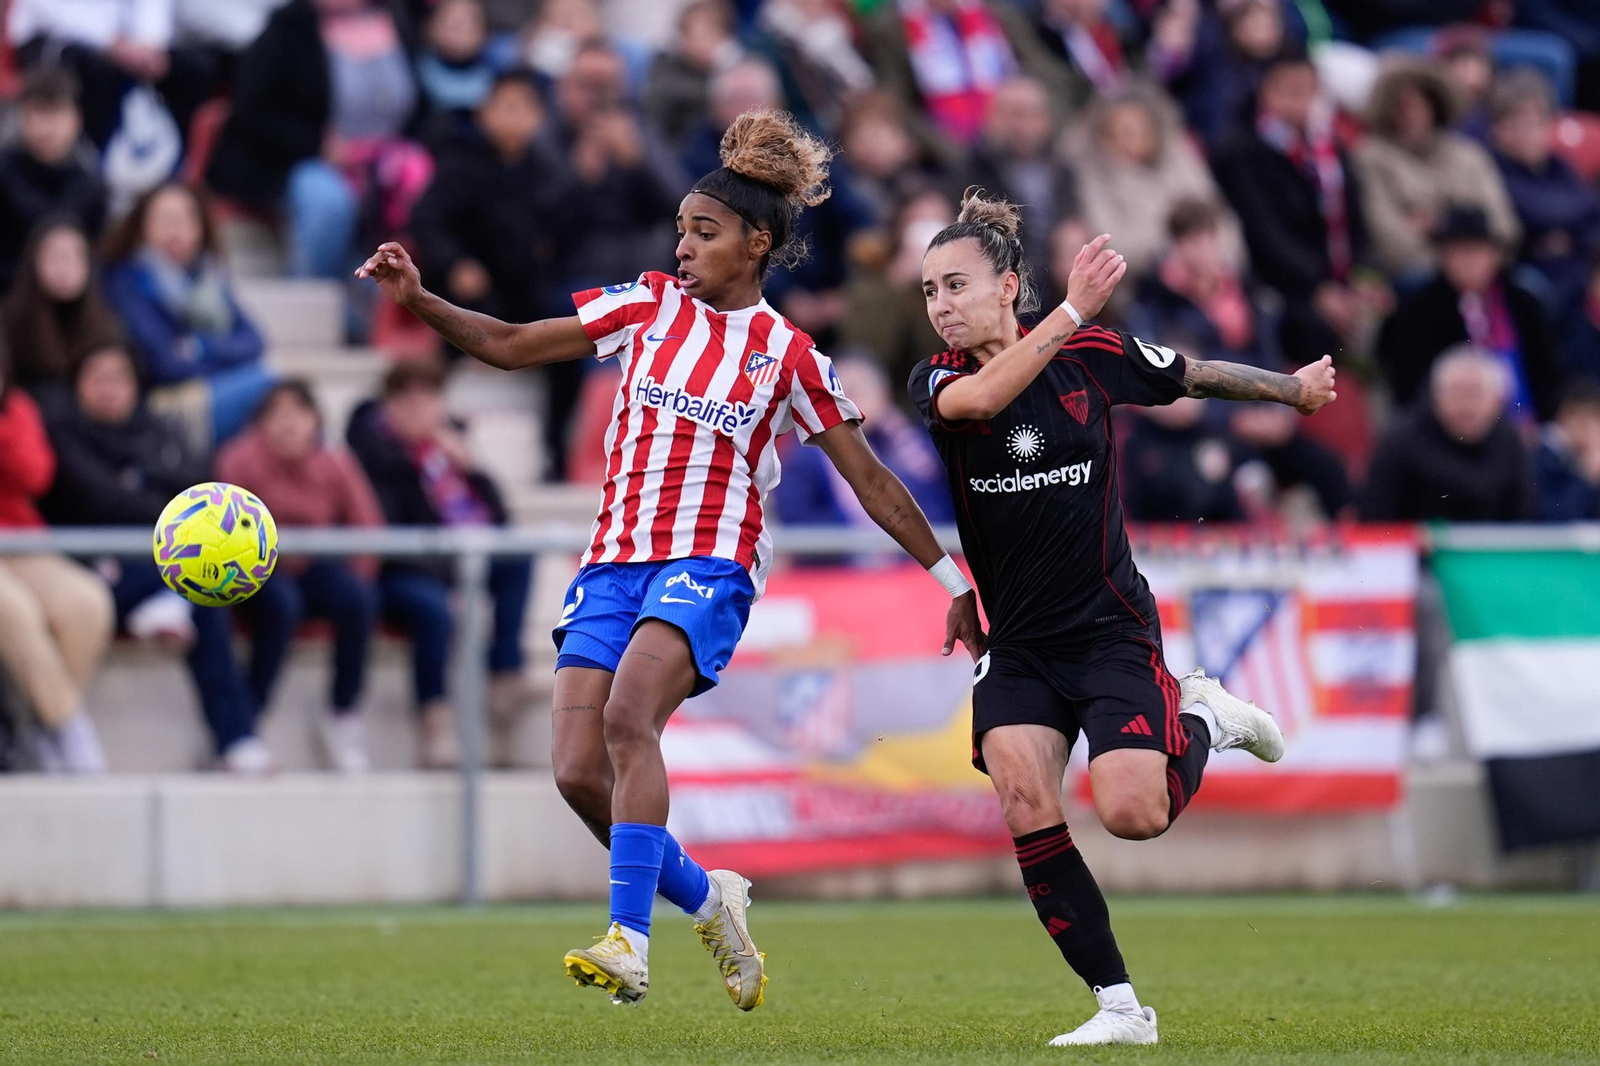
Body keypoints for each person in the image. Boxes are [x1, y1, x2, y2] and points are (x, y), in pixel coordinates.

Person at [357, 108, 984, 1011]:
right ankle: (707, 896)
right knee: (577, 771)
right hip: (612, 563)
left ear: (756, 244)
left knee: (626, 718)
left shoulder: (789, 356)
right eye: (681, 231)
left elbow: (874, 481)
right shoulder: (646, 306)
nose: (684, 248)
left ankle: (628, 942)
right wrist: (418, 299)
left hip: (710, 564)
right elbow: (507, 345)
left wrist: (949, 580)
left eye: (705, 233)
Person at [910, 189, 1336, 1045]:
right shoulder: (941, 380)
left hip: (1110, 632)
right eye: (929, 291)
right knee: (1024, 795)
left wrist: (1289, 391)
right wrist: (1068, 310)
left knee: (1134, 814)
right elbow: (984, 403)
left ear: (1007, 286)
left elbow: (1191, 375)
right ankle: (1118, 1008)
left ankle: (1205, 715)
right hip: (1020, 645)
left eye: (956, 285)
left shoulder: (1093, 354)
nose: (941, 305)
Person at [38, 341, 275, 773]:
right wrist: (161, 499)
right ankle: (167, 603)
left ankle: (237, 740)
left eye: (119, 377)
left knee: (213, 596)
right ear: (78, 385)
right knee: (183, 576)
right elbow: (98, 500)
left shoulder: (160, 429)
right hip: (92, 575)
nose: (109, 388)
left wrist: (140, 488)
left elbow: (204, 490)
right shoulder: (63, 434)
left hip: (163, 567)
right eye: (98, 377)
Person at [345, 359, 532, 769]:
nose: (418, 408)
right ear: (388, 406)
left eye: (428, 397)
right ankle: (435, 720)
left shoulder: (448, 450)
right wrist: (452, 586)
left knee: (519, 557)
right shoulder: (374, 456)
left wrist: (470, 468)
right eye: (406, 399)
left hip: (454, 562)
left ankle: (505, 670)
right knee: (432, 610)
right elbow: (391, 536)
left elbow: (500, 520)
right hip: (400, 573)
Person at [216, 381, 385, 772]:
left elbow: (367, 526)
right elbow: (221, 531)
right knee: (281, 605)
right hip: (255, 570)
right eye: (277, 414)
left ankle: (343, 712)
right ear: (260, 423)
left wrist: (357, 572)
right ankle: (249, 718)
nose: (288, 425)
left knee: (358, 599)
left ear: (316, 421)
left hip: (315, 567)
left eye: (298, 413)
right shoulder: (238, 460)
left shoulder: (336, 463)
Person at [409, 70, 572, 473]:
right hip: (468, 288)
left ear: (539, 117)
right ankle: (435, 436)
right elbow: (426, 220)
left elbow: (564, 227)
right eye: (504, 107)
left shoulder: (546, 170)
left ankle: (556, 449)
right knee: (447, 336)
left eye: (524, 109)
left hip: (526, 290)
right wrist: (454, 263)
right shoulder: (460, 163)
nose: (513, 117)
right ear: (485, 113)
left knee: (570, 346)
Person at [205, 0, 429, 285]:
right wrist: (317, 145)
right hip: (301, 160)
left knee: (428, 189)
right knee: (329, 203)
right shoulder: (290, 25)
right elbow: (251, 109)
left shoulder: (398, 18)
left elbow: (422, 106)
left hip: (388, 160)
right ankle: (310, 300)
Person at [1211, 49, 1382, 363]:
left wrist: (1363, 275)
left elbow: (1356, 217)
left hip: (1337, 279)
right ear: (1266, 92)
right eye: (1289, 90)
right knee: (1312, 330)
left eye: (1307, 90)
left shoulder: (1329, 148)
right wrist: (1318, 289)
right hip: (1281, 285)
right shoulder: (1241, 150)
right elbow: (1265, 234)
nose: (1300, 100)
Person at [0, 337, 112, 773]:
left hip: (20, 541)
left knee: (87, 602)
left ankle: (45, 727)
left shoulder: (19, 408)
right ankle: (69, 726)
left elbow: (36, 474)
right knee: (14, 610)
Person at [102, 182, 274, 450]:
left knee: (284, 404)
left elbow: (254, 341)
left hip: (216, 388)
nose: (176, 229)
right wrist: (222, 357)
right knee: (265, 387)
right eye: (165, 220)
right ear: (143, 228)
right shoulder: (128, 282)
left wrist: (199, 347)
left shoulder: (210, 279)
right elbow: (165, 364)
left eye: (185, 219)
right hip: (165, 403)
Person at [1376, 205, 1561, 423]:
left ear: (1494, 255)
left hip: (1526, 421)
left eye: (1477, 251)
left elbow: (1547, 371)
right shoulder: (1419, 310)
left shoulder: (1523, 303)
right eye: (1459, 251)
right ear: (1444, 257)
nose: (1469, 261)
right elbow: (1409, 383)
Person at [1352, 55, 1518, 279]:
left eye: (1420, 106)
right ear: (1386, 109)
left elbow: (1504, 225)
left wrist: (1439, 225)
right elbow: (1386, 236)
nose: (1412, 116)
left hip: (1483, 268)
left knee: (1530, 287)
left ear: (1436, 105)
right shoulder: (1370, 157)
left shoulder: (1469, 155)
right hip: (1416, 271)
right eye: (1402, 107)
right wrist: (1451, 263)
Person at [1070, 86, 1244, 284]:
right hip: (1144, 287)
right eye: (1119, 132)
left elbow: (1219, 217)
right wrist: (1177, 256)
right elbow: (1113, 245)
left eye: (1136, 129)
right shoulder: (1095, 177)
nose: (1128, 140)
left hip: (1216, 278)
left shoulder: (1180, 158)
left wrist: (1217, 260)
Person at [772, 354, 954, 537]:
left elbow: (942, 507)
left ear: (884, 394)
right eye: (841, 393)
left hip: (913, 562)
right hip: (844, 562)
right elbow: (797, 519)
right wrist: (862, 522)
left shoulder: (912, 442)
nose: (850, 402)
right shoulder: (806, 452)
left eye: (858, 392)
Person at [1361, 346, 1532, 522]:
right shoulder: (1399, 442)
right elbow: (1375, 519)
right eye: (1455, 392)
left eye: (1475, 393)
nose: (1465, 405)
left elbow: (1523, 518)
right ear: (1435, 396)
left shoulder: (1510, 443)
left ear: (1497, 400)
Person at [1488, 68, 1600, 316]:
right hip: (1530, 272)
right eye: (1517, 122)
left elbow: (1593, 213)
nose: (1528, 132)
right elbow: (1530, 215)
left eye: (1537, 121)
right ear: (1497, 129)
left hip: (1577, 264)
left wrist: (1568, 236)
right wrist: (1568, 224)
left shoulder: (1559, 165)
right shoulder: (1493, 169)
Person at [0, 68, 107, 295]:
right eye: (38, 112)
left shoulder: (91, 185)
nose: (47, 126)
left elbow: (97, 256)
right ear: (22, 117)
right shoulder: (4, 173)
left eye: (56, 113)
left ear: (76, 119)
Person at [1, 218, 122, 397]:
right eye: (55, 257)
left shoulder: (105, 320)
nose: (64, 268)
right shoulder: (11, 319)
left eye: (74, 257)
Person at [1531, 380, 1600, 521]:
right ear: (1561, 419)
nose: (1583, 428)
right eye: (1576, 417)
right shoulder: (1541, 461)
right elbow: (1554, 518)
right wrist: (1584, 478)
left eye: (1591, 419)